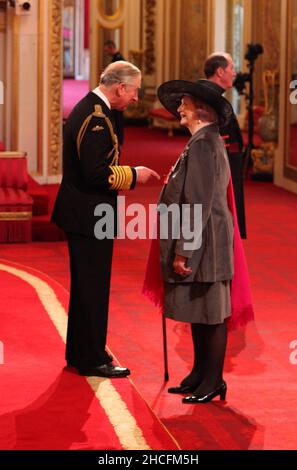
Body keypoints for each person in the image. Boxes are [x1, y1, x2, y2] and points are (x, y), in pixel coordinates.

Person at [143, 79, 254, 404]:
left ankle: (213, 380)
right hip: (203, 242)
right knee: (199, 312)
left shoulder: (204, 144)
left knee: (211, 313)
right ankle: (199, 374)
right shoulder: (200, 140)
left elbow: (198, 203)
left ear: (201, 110)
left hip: (207, 246)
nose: (179, 108)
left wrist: (184, 251)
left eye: (185, 103)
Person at [52, 61, 159, 378]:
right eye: (135, 91)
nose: (136, 99)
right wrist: (134, 175)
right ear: (120, 88)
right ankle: (92, 358)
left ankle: (81, 352)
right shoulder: (96, 116)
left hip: (86, 211)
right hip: (89, 213)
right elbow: (95, 174)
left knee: (87, 286)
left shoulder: (93, 108)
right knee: (92, 287)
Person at [204, 52, 247, 239]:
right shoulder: (208, 98)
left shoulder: (216, 97)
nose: (235, 73)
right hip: (218, 169)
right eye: (232, 68)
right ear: (220, 72)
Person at [104, 40, 126, 145]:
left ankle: (119, 139)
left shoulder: (118, 59)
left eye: (107, 49)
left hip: (118, 92)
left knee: (118, 117)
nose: (106, 52)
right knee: (116, 116)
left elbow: (120, 77)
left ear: (111, 47)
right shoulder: (116, 58)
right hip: (117, 91)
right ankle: (116, 137)